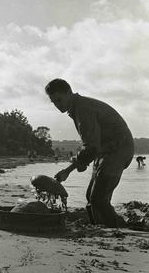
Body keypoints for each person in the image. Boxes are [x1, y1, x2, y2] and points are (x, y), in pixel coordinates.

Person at [45, 79, 134, 228]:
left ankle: (118, 230)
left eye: (59, 100)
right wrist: (81, 162)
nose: (58, 105)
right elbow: (91, 147)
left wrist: (67, 171)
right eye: (54, 102)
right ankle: (99, 228)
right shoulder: (78, 107)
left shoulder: (83, 109)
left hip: (118, 150)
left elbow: (91, 148)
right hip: (105, 151)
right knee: (91, 197)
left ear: (69, 93)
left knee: (98, 198)